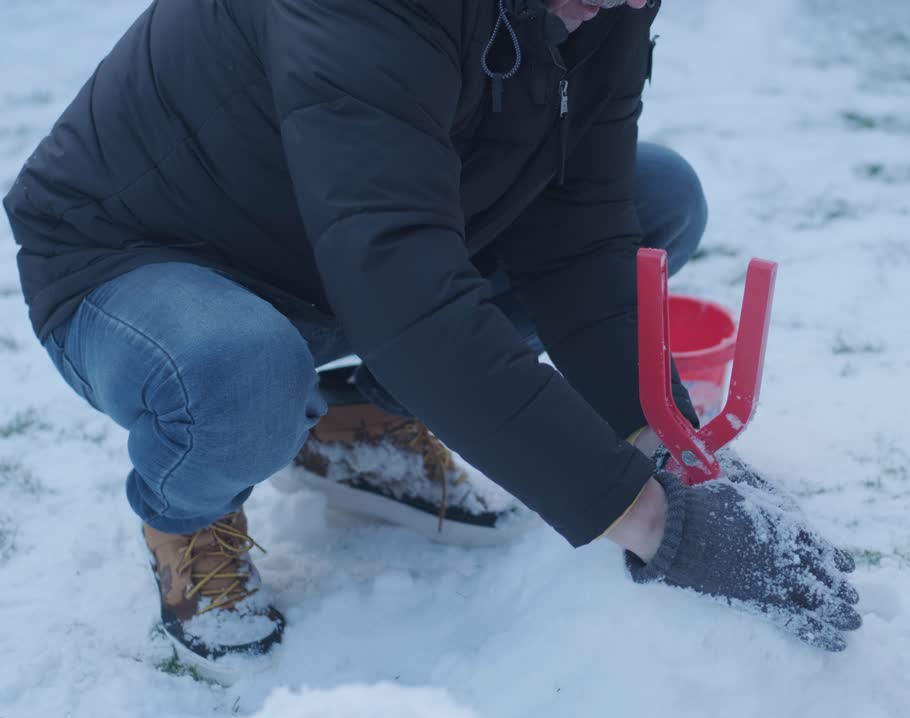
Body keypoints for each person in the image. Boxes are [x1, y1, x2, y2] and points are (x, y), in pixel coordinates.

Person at [3, 0, 861, 675]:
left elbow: (581, 231)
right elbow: (405, 290)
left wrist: (674, 449)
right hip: (143, 258)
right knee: (247, 373)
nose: (634, 3)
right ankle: (189, 517)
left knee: (658, 200)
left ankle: (352, 416)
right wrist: (649, 520)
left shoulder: (604, 4)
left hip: (340, 247)